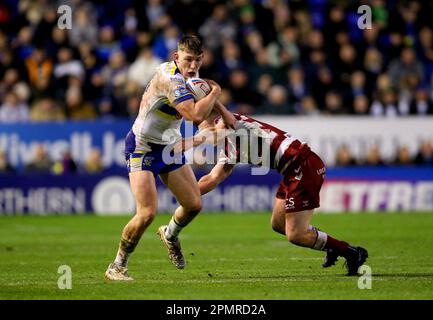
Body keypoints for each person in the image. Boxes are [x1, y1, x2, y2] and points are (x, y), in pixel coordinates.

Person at [105, 35, 235, 281]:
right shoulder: (170, 78)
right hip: (142, 147)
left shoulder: (191, 79)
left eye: (198, 60)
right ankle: (117, 265)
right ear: (176, 57)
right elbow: (195, 115)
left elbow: (202, 96)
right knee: (147, 213)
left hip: (168, 146)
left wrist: (224, 113)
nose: (193, 65)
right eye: (188, 60)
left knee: (194, 204)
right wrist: (217, 91)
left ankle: (170, 234)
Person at [185, 111, 368, 276]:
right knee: (278, 224)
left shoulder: (229, 123)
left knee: (296, 234)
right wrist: (186, 194)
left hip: (303, 166)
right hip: (291, 171)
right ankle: (333, 247)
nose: (202, 135)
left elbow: (220, 122)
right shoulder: (229, 146)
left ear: (212, 120)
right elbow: (212, 178)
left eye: (200, 128)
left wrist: (212, 98)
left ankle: (352, 252)